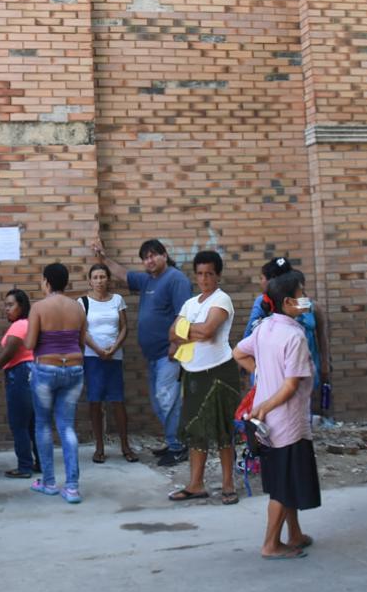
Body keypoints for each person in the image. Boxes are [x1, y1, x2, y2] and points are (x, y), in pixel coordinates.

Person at [233, 269, 321, 560]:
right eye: (301, 294)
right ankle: (271, 544)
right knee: (283, 488)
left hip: (268, 424)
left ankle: (294, 533)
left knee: (287, 480)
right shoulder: (294, 336)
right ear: (286, 302)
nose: (305, 299)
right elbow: (291, 384)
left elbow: (238, 352)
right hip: (286, 421)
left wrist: (260, 374)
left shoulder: (265, 328)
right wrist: (266, 404)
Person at [91, 238, 193, 466]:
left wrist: (176, 345)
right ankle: (173, 441)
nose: (149, 260)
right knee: (161, 402)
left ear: (164, 255)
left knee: (167, 400)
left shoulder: (175, 279)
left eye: (154, 255)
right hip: (153, 356)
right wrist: (102, 257)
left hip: (169, 354)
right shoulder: (147, 280)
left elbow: (185, 314)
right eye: (145, 257)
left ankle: (178, 447)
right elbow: (123, 274)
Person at [167, 250, 239, 505]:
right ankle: (196, 484)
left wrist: (185, 331)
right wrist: (188, 332)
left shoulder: (222, 299)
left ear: (218, 275)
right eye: (200, 274)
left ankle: (229, 484)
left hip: (220, 372)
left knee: (222, 429)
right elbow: (171, 333)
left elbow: (208, 331)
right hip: (193, 374)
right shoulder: (191, 303)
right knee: (195, 429)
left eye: (209, 273)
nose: (204, 279)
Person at [24, 263, 88, 504]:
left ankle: (49, 482)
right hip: (73, 367)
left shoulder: (39, 307)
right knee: (67, 427)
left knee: (42, 424)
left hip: (46, 369)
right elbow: (81, 343)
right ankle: (72, 487)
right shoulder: (78, 308)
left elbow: (30, 344)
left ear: (47, 282)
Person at [243, 257, 332, 423]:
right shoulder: (264, 304)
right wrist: (257, 370)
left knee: (298, 410)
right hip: (276, 370)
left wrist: (325, 365)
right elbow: (248, 340)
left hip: (304, 367)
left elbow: (322, 337)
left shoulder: (310, 306)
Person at [80, 264, 137, 463]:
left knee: (117, 401)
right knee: (95, 401)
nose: (99, 281)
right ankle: (99, 447)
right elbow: (83, 331)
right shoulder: (83, 302)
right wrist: (97, 349)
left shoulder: (117, 300)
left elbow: (124, 327)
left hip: (114, 357)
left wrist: (114, 348)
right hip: (92, 357)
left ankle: (125, 446)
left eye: (102, 276)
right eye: (95, 277)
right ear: (89, 280)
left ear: (108, 279)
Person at [0, 288, 38, 478]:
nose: (6, 309)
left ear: (22, 306)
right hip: (30, 373)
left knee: (19, 424)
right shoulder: (28, 324)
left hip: (19, 374)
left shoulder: (19, 326)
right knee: (32, 424)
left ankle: (25, 466)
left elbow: (8, 353)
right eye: (5, 305)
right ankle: (38, 462)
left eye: (10, 305)